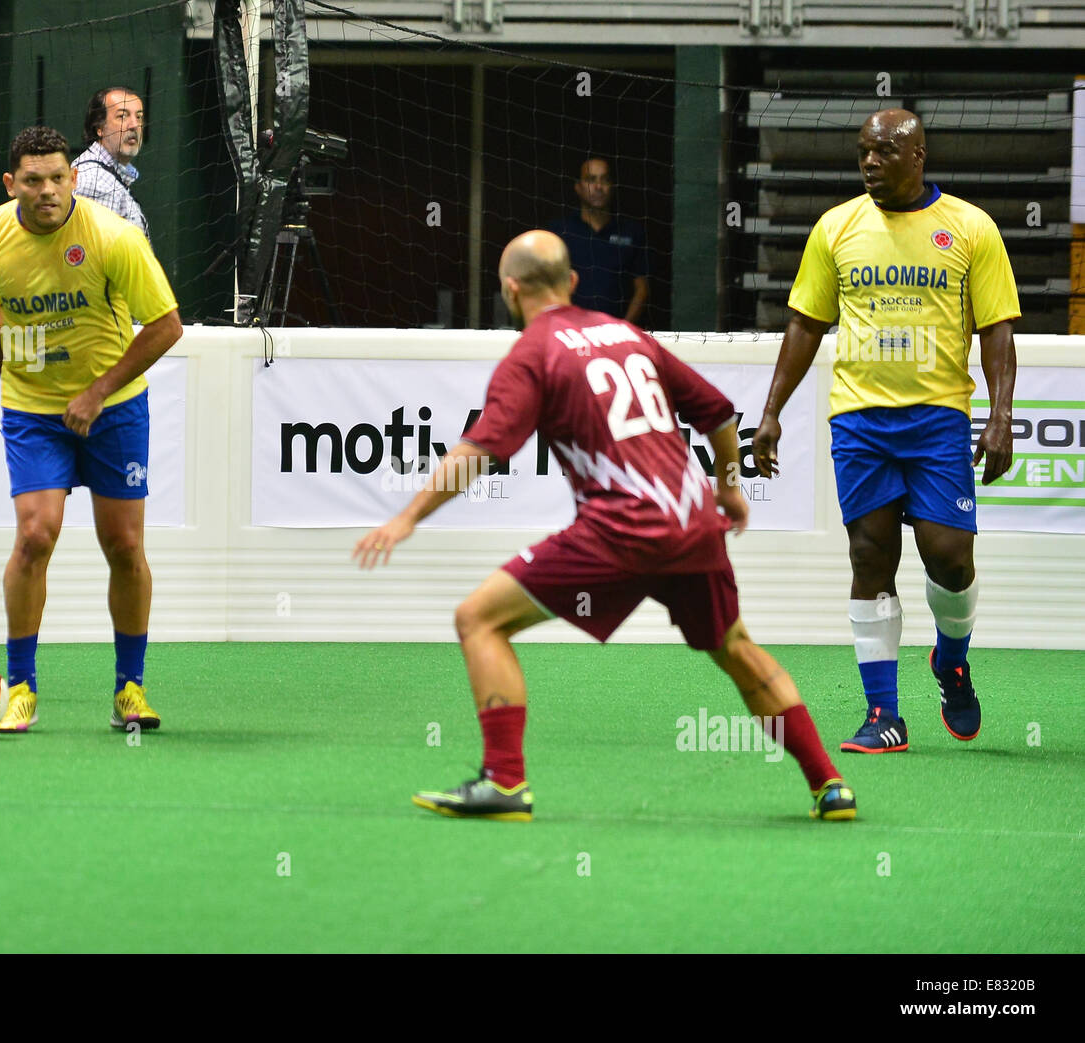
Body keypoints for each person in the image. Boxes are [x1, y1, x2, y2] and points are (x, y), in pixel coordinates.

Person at [354, 229, 856, 823]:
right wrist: (727, 485)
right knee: (735, 647)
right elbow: (719, 412)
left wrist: (407, 517)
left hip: (620, 529)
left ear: (510, 290)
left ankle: (505, 783)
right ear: (571, 282)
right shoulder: (629, 334)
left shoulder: (532, 353)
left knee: (478, 619)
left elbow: (483, 450)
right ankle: (829, 784)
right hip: (693, 525)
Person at [753, 109, 1019, 754]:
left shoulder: (970, 227)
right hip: (860, 419)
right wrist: (771, 412)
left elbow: (997, 329)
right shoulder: (836, 227)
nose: (869, 162)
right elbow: (805, 324)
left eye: (883, 151)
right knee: (870, 557)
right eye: (862, 152)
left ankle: (950, 660)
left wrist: (1003, 416)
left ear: (918, 155)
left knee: (950, 559)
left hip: (938, 421)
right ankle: (884, 715)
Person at [0, 126, 183, 732]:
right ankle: (22, 689)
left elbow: (166, 326)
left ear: (74, 179)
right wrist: (12, 365)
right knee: (36, 537)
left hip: (113, 409)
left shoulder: (115, 239)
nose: (48, 191)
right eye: (33, 181)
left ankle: (129, 690)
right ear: (12, 186)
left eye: (58, 178)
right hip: (33, 411)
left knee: (125, 546)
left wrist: (96, 392)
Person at [548, 157, 650, 325]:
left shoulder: (632, 232)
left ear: (612, 186)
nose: (598, 187)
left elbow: (642, 289)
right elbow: (548, 287)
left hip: (617, 336)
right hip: (570, 333)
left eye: (605, 179)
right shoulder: (559, 231)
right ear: (578, 187)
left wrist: (623, 329)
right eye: (591, 179)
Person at [72, 87, 150, 239]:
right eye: (122, 116)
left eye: (139, 117)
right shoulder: (96, 182)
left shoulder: (108, 174)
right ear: (99, 128)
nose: (134, 125)